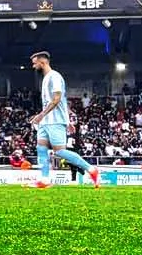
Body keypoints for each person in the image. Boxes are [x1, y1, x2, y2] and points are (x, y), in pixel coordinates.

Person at [30, 52, 100, 189]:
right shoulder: (45, 79)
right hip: (45, 121)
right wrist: (66, 120)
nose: (33, 66)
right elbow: (63, 101)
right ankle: (44, 179)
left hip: (54, 121)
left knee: (60, 151)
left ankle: (91, 170)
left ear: (42, 62)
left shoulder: (55, 77)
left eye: (35, 63)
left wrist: (41, 115)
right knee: (41, 148)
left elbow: (57, 100)